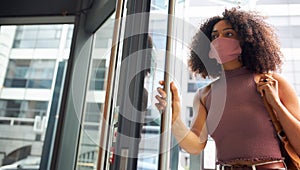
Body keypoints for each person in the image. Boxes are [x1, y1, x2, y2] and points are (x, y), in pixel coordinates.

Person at [155, 7, 300, 170]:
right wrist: (174, 119)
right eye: (214, 36)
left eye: (228, 34)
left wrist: (276, 104)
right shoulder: (205, 95)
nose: (219, 40)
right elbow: (195, 145)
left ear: (246, 40)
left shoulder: (272, 82)